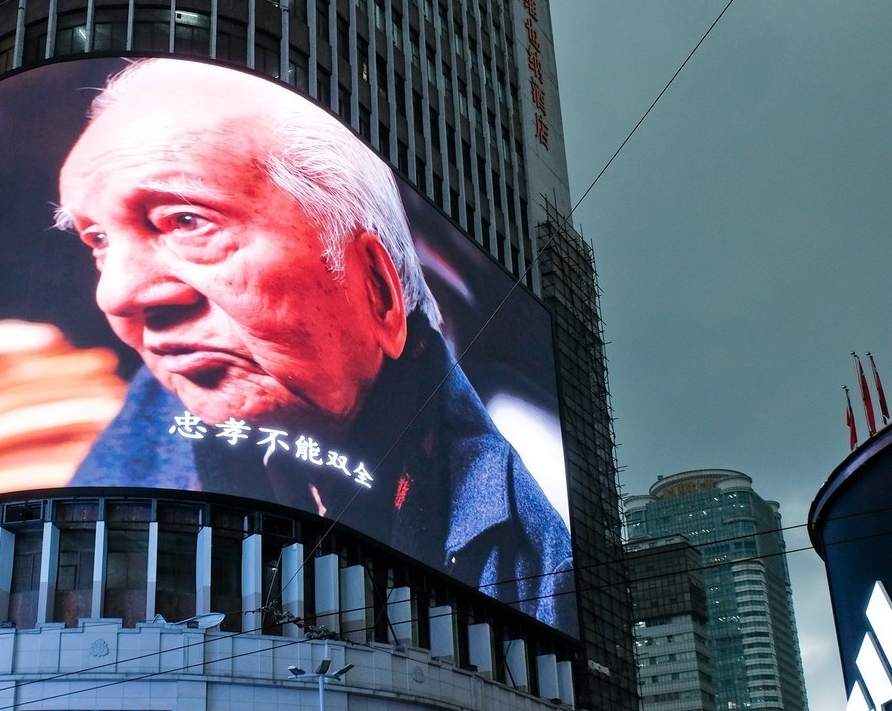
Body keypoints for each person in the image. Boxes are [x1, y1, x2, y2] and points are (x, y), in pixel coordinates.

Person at [58, 59, 575, 630]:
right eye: (98, 241)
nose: (117, 295)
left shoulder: (530, 557)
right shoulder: (174, 392)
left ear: (378, 289)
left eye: (186, 220)